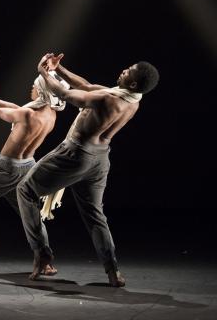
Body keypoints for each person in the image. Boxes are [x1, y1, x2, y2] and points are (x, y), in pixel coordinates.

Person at [17, 53, 159, 287]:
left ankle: (42, 254)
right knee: (94, 214)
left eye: (128, 72)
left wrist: (43, 72)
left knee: (25, 190)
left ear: (133, 83)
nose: (123, 70)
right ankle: (113, 271)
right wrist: (59, 69)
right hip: (100, 159)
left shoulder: (109, 99)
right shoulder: (132, 99)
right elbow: (86, 86)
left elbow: (65, 95)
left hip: (76, 154)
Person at [0, 71, 69, 268]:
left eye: (36, 85)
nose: (32, 87)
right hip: (28, 168)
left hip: (7, 168)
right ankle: (45, 260)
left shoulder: (27, 114)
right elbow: (16, 109)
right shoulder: (50, 114)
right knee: (31, 215)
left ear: (43, 91)